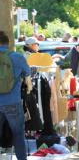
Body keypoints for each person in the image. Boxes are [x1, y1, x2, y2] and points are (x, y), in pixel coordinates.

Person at [0, 31, 32, 160]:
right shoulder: (18, 57)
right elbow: (28, 83)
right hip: (13, 102)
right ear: (8, 44)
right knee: (18, 135)